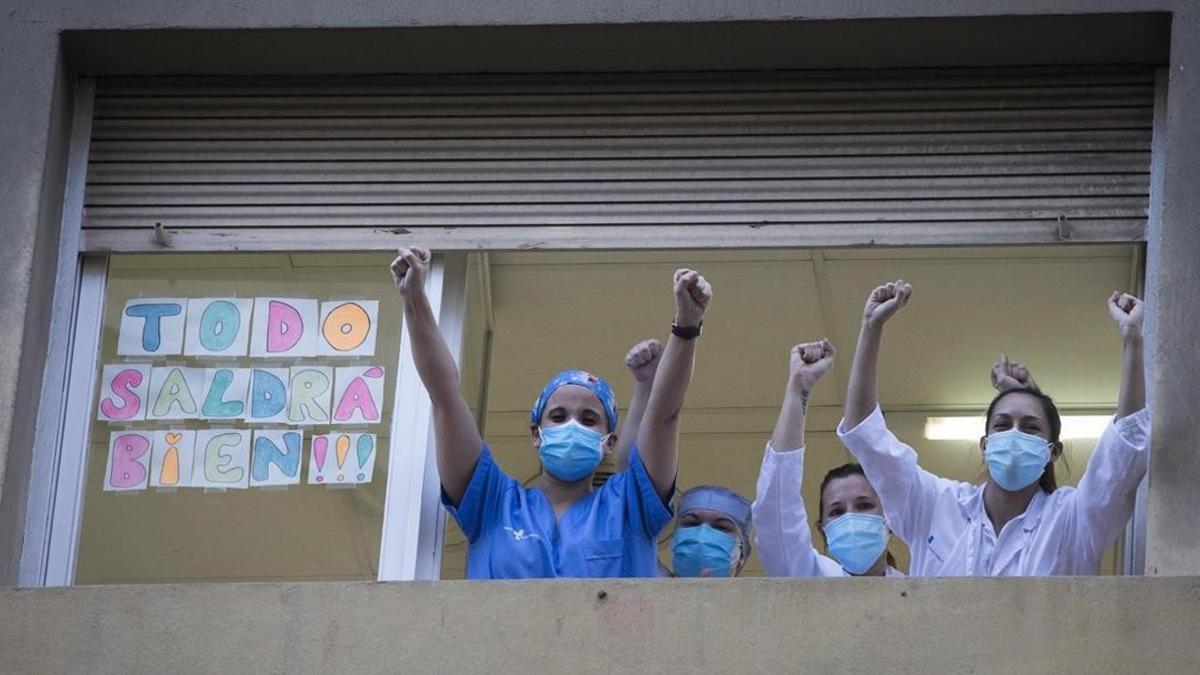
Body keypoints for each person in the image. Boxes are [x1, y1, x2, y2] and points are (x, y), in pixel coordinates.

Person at [389, 247, 712, 578]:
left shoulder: (629, 507)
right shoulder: (492, 502)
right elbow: (444, 397)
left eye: (589, 420)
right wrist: (414, 298)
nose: (572, 425)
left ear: (609, 442)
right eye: (558, 417)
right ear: (535, 432)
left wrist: (686, 327)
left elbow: (665, 415)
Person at [838, 281, 1150, 576]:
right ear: (985, 445)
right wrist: (871, 327)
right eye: (1002, 425)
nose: (1014, 434)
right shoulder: (935, 505)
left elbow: (1123, 451)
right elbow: (865, 433)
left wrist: (1132, 338)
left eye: (1030, 428)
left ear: (1053, 452)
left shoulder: (1072, 519)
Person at [753, 339, 903, 577]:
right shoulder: (811, 578)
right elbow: (776, 508)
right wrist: (799, 387)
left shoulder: (918, 591)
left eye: (864, 505)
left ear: (891, 521)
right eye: (836, 511)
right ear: (823, 531)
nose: (851, 518)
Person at [610, 338, 753, 578]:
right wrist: (646, 386)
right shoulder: (651, 582)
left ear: (743, 554)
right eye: (691, 523)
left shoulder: (763, 608)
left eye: (721, 527)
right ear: (674, 538)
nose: (702, 536)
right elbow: (630, 479)